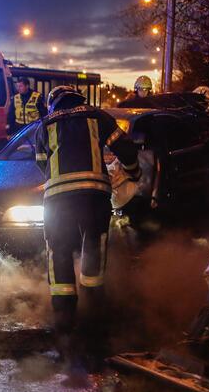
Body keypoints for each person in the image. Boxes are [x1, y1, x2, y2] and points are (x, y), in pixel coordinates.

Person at [33, 86, 140, 333]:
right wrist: (135, 173)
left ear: (53, 104)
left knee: (58, 252)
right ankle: (92, 315)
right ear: (77, 97)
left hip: (57, 201)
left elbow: (41, 163)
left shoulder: (45, 124)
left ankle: (64, 318)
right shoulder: (97, 116)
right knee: (93, 248)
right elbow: (126, 148)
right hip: (94, 197)